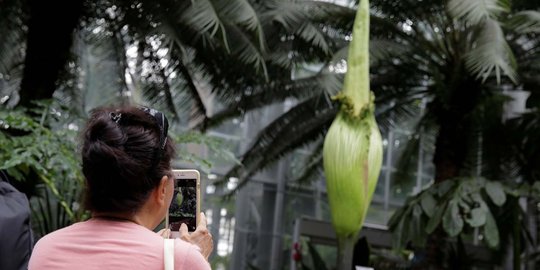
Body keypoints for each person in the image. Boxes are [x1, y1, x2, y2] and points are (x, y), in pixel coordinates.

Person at [28, 106, 213, 270]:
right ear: (163, 188)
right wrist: (194, 256)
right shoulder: (179, 260)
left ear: (88, 182)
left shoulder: (45, 250)